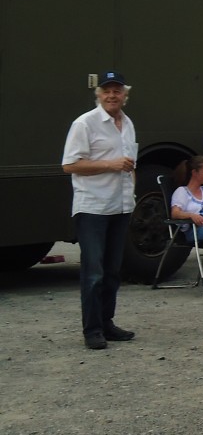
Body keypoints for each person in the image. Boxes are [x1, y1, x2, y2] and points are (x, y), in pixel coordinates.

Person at [62, 71, 138, 350]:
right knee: (93, 272)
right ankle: (92, 330)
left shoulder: (127, 124)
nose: (111, 95)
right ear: (99, 95)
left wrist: (131, 192)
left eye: (117, 91)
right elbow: (69, 165)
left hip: (120, 206)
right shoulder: (85, 123)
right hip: (92, 207)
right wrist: (110, 164)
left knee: (112, 271)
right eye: (106, 91)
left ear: (125, 96)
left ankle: (107, 323)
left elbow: (132, 164)